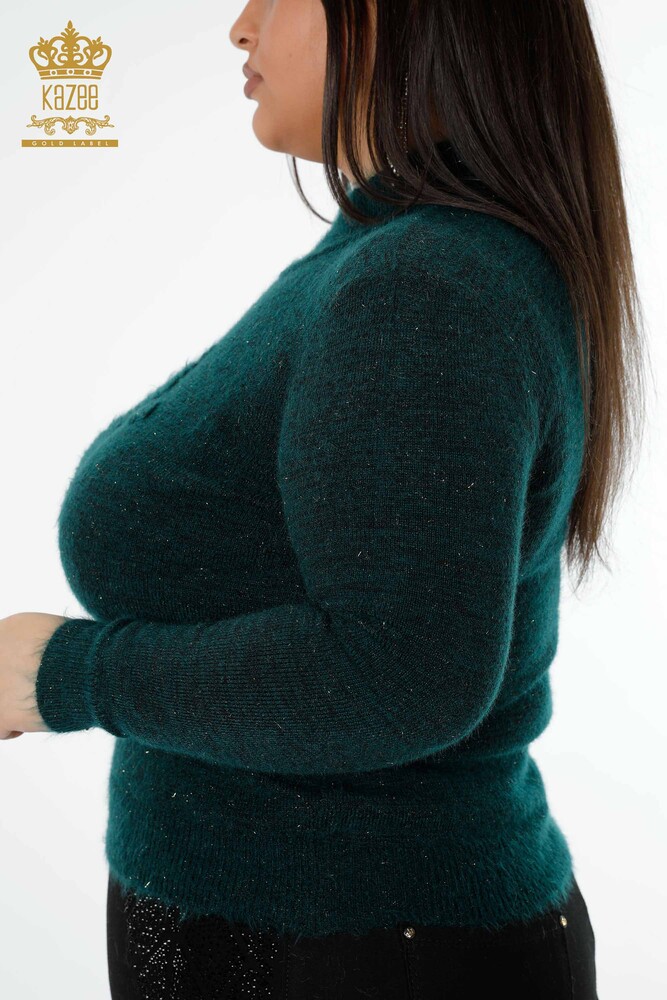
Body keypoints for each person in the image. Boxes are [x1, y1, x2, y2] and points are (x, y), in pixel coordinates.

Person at [1, 1, 647, 997]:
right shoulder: (404, 251)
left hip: (361, 949)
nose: (241, 26)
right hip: (307, 935)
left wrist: (73, 675)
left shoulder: (427, 284)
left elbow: (399, 674)